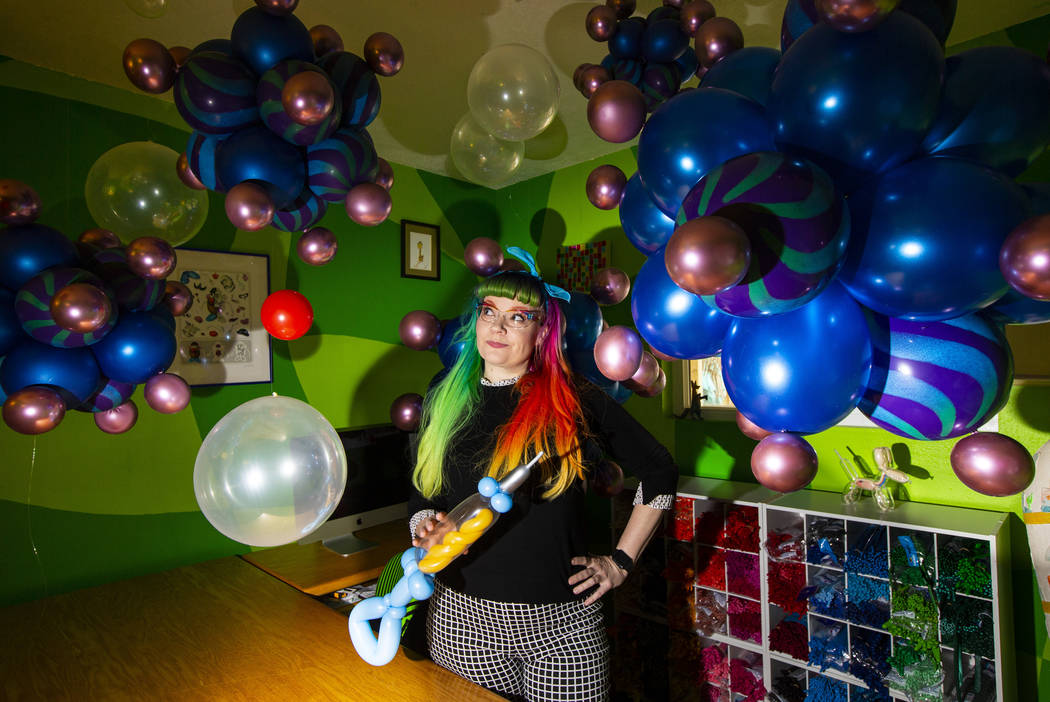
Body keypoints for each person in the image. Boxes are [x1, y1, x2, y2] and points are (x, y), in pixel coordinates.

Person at [408, 249, 678, 702]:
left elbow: (660, 470)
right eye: (489, 311)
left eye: (518, 317)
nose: (496, 327)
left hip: (562, 631)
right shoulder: (443, 392)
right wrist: (424, 524)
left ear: (542, 331)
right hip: (462, 619)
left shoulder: (575, 400)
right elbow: (421, 486)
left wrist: (620, 563)